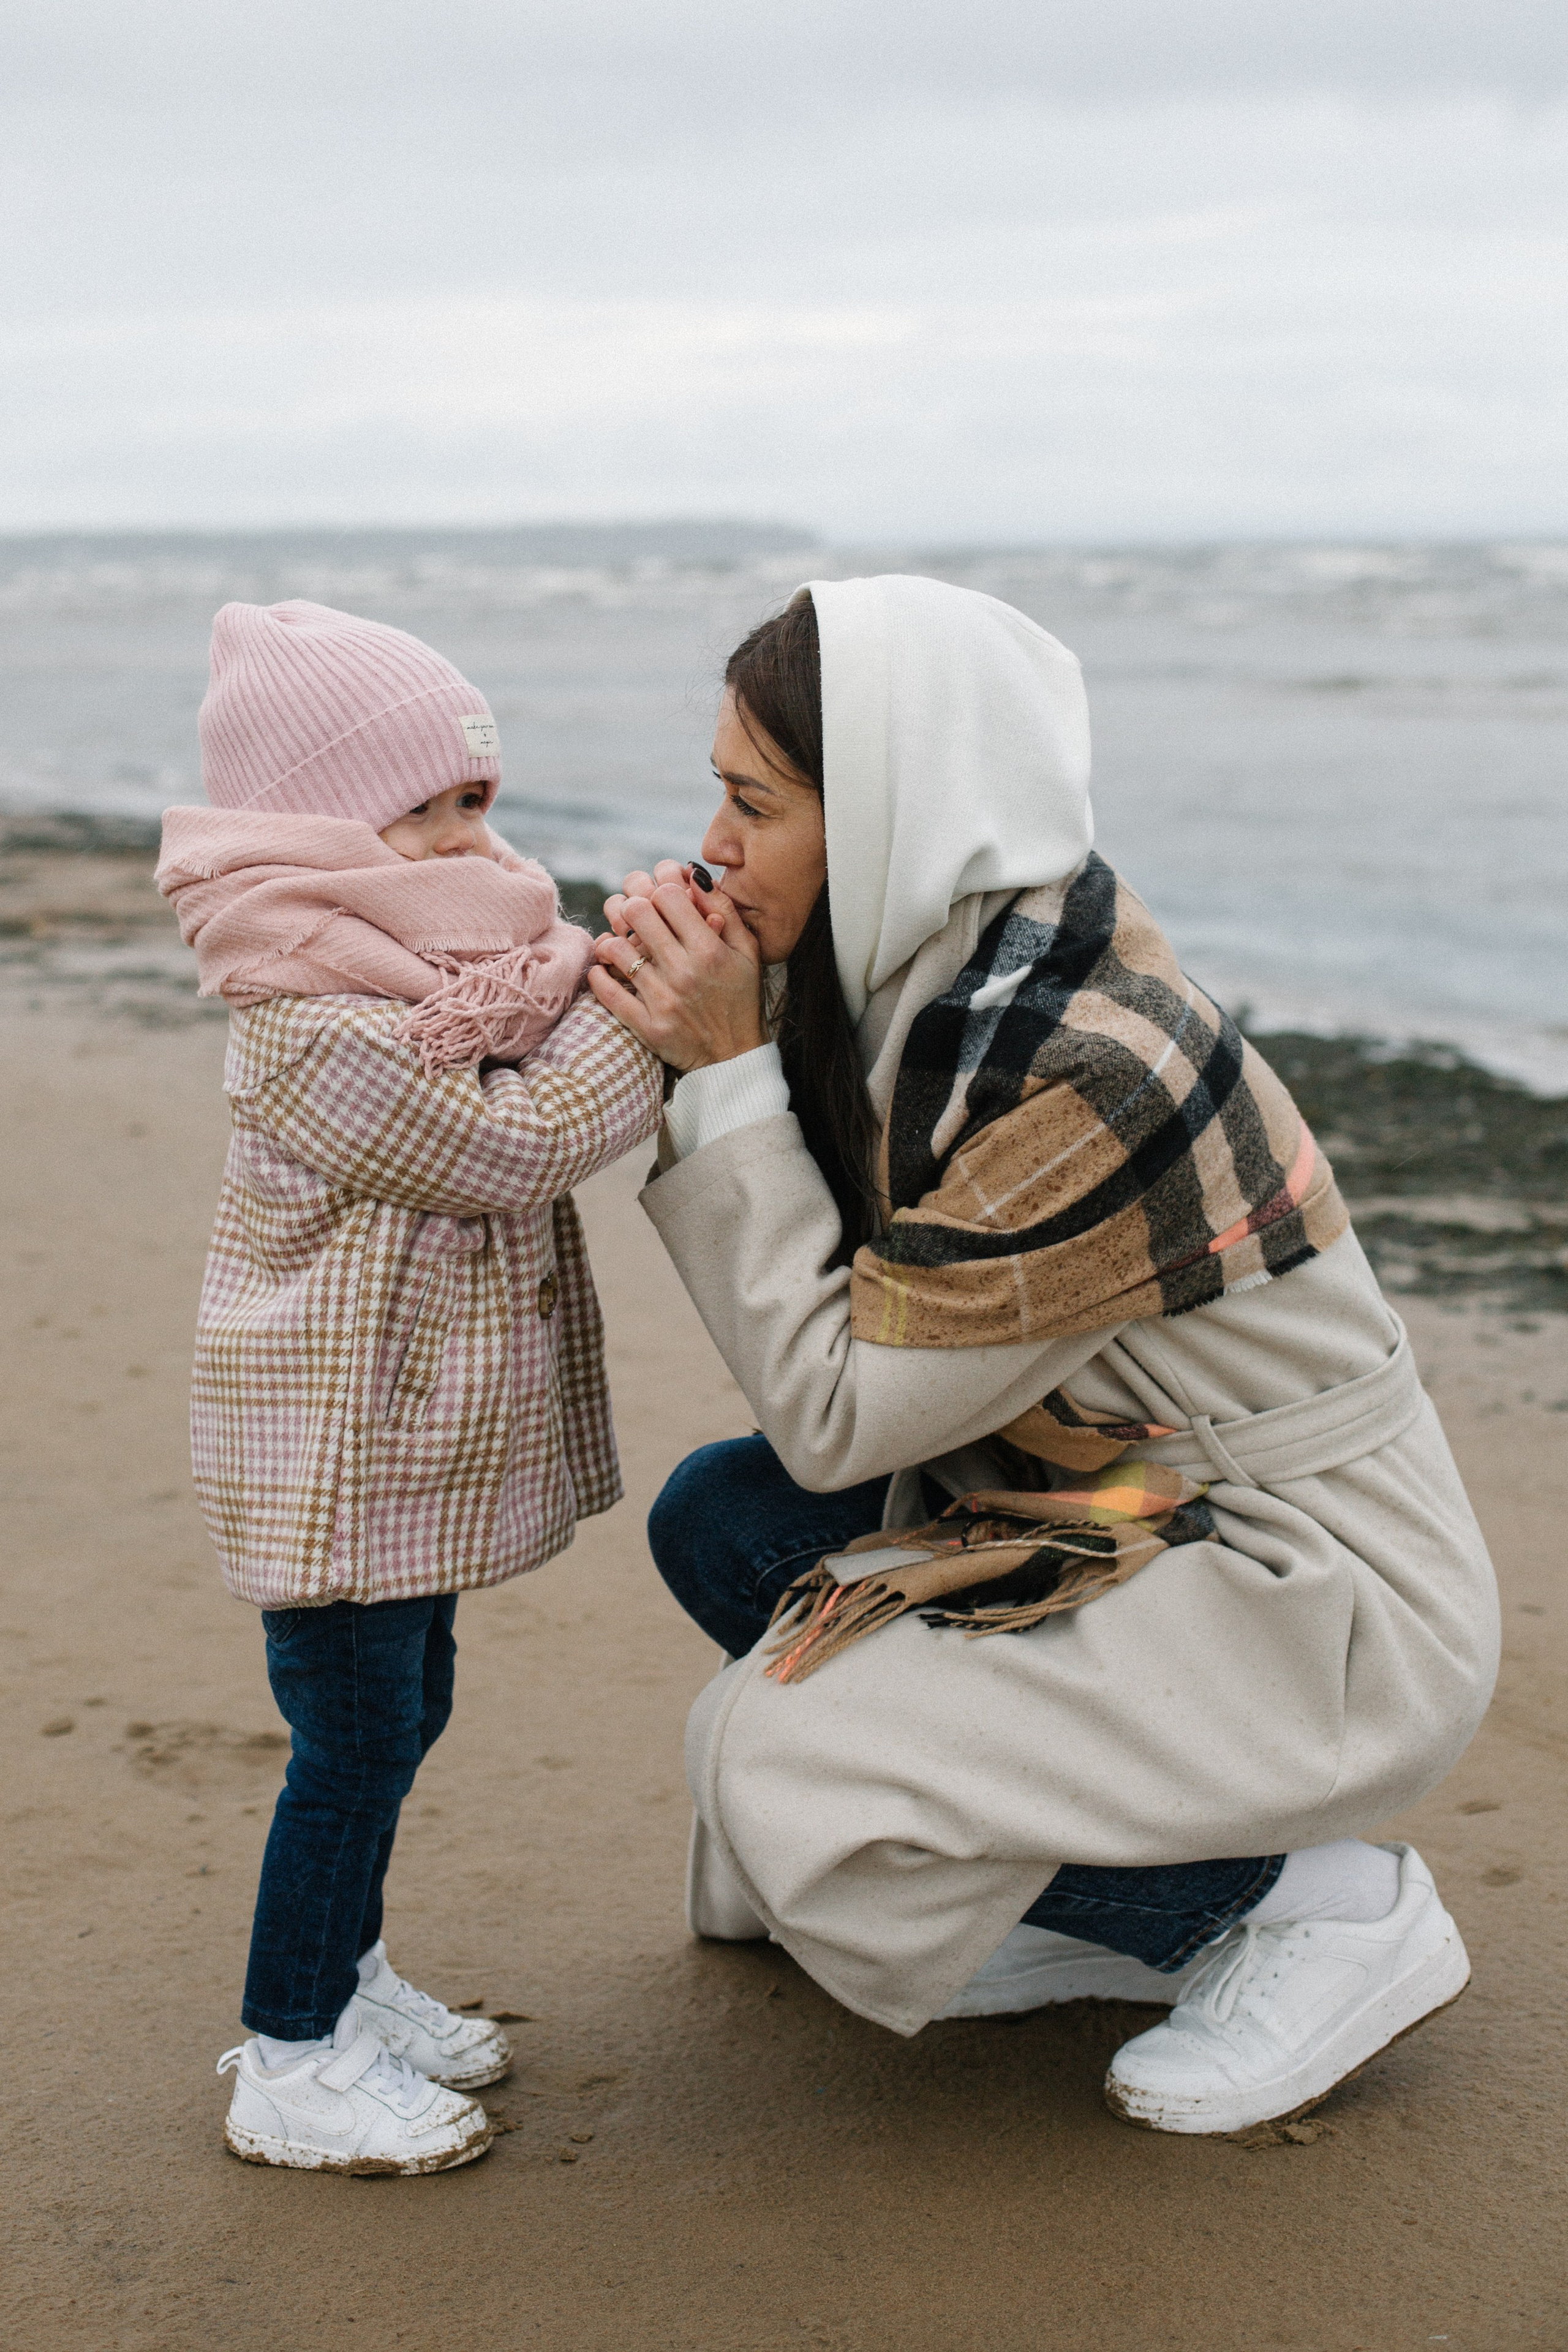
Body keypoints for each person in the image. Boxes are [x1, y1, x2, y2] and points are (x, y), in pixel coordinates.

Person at [587, 576, 1499, 2138]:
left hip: (1308, 1578)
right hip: (1113, 1495)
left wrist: (728, 1074)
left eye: (753, 803)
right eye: (716, 799)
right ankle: (1109, 1894)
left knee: (782, 1753)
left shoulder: (1089, 1067)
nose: (714, 845)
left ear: (891, 811)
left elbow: (836, 1415)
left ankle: (1299, 1905)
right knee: (722, 1527)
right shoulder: (922, 987)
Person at [158, 600, 662, 2174]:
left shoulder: (443, 956)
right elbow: (502, 1144)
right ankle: (292, 2054)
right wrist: (651, 1028)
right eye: (423, 808)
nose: (463, 838)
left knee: (403, 1707)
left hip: (393, 1442)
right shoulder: (307, 1009)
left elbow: (508, 1072)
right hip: (329, 1451)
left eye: (475, 805)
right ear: (315, 819)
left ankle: (348, 1978)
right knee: (355, 1742)